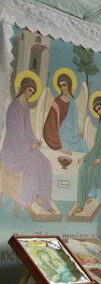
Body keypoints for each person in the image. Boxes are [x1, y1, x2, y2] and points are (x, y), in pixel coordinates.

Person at [0, 77, 55, 214]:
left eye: (33, 91)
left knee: (47, 163)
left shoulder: (25, 108)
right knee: (34, 164)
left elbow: (28, 132)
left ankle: (43, 200)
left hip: (25, 148)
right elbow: (14, 135)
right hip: (13, 151)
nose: (30, 93)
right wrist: (29, 147)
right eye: (29, 90)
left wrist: (35, 141)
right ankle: (27, 201)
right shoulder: (14, 107)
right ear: (23, 88)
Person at [72, 96, 101, 218]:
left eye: (100, 108)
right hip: (96, 155)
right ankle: (80, 204)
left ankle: (89, 194)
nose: (99, 111)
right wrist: (86, 157)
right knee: (82, 169)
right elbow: (96, 145)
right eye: (97, 110)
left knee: (92, 169)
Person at [43, 72, 87, 153]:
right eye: (60, 86)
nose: (62, 88)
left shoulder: (72, 101)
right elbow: (51, 124)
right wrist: (58, 145)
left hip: (72, 135)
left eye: (64, 85)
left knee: (83, 144)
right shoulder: (57, 102)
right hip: (62, 136)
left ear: (69, 85)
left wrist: (78, 132)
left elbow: (74, 121)